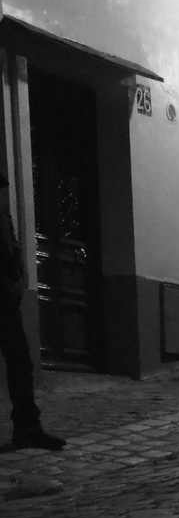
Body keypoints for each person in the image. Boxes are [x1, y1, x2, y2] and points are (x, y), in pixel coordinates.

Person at [0, 170, 65, 451]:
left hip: (4, 296)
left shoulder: (0, 205)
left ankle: (28, 428)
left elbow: (9, 240)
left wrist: (17, 277)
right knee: (18, 362)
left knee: (20, 364)